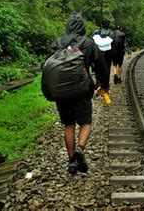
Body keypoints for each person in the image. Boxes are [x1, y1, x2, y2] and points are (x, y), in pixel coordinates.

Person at [48, 12, 110, 174]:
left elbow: (48, 66)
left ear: (67, 26)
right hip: (83, 90)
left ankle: (71, 161)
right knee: (85, 122)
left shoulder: (57, 42)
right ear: (82, 27)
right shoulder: (88, 44)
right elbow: (101, 66)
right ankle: (80, 149)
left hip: (61, 91)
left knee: (69, 125)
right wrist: (103, 85)